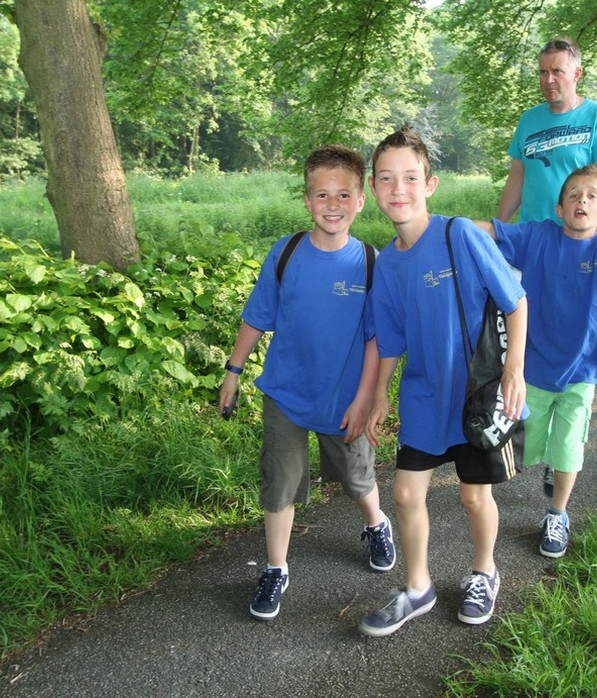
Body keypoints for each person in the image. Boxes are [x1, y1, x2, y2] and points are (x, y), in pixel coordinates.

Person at [358, 126, 528, 637]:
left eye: (410, 177)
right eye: (386, 178)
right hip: (425, 397)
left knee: (474, 497)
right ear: (373, 187)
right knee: (406, 494)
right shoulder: (387, 263)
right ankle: (418, 588)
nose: (398, 189)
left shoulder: (461, 235)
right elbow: (390, 340)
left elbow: (516, 301)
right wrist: (380, 394)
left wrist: (514, 371)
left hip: (475, 393)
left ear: (430, 184)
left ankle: (484, 572)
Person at [220, 144, 395, 622]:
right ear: (306, 200)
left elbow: (378, 340)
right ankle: (276, 568)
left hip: (345, 400)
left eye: (344, 195)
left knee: (358, 478)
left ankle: (376, 524)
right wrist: (233, 371)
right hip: (286, 393)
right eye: (322, 194)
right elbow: (257, 316)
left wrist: (367, 398)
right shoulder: (287, 252)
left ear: (361, 201)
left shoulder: (372, 263)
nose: (332, 205)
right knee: (280, 483)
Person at [477, 165, 597, 558]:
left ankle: (557, 513)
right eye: (573, 195)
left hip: (582, 369)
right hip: (535, 365)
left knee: (570, 445)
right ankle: (553, 463)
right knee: (528, 443)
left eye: (591, 196)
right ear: (559, 209)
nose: (582, 201)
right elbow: (491, 230)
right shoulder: (539, 236)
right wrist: (441, 227)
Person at [497, 36, 597, 232]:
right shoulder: (528, 119)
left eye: (557, 71)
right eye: (543, 72)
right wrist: (497, 229)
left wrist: (594, 240)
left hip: (574, 236)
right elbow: (516, 181)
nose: (549, 80)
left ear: (576, 74)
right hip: (530, 235)